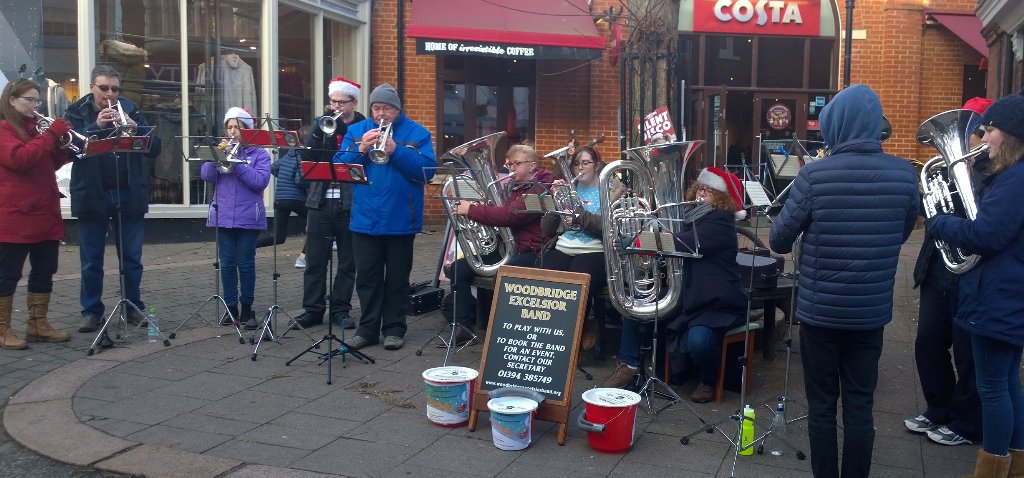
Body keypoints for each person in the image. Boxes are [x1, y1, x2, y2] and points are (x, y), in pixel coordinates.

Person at [769, 84, 918, 478]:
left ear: (835, 126)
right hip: (870, 315)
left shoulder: (815, 175)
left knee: (820, 407)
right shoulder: (906, 175)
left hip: (820, 314)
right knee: (860, 406)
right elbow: (900, 232)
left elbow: (779, 239)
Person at [927, 94, 1024, 477]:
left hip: (999, 296)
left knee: (993, 388)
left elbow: (986, 235)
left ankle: (993, 469)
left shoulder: (1015, 180)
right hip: (1005, 294)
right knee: (1006, 383)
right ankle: (1014, 464)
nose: (984, 136)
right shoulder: (1011, 177)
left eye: (991, 128)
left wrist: (939, 222)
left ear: (1011, 134)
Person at [604, 167, 748, 404]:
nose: (701, 194)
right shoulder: (692, 216)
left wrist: (639, 242)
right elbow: (674, 243)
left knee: (699, 342)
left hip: (714, 299)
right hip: (687, 293)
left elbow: (684, 243)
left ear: (722, 198)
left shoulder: (720, 222)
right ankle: (628, 365)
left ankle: (708, 380)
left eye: (709, 191)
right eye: (700, 188)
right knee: (635, 306)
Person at [904, 97, 991, 447]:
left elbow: (986, 226)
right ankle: (938, 407)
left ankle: (967, 421)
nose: (973, 139)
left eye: (979, 131)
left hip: (974, 275)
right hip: (938, 267)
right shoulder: (944, 169)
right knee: (928, 342)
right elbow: (930, 214)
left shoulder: (996, 173)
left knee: (967, 351)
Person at [335, 83, 435, 351]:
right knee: (367, 278)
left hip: (401, 218)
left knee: (397, 279)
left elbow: (427, 171)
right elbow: (338, 166)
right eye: (377, 108)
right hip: (365, 218)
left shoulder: (417, 133)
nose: (381, 114)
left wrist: (397, 150)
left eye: (387, 108)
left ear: (397, 109)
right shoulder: (357, 131)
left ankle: (394, 328)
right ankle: (367, 330)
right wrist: (361, 150)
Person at [64, 65, 162, 333]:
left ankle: (133, 307)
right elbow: (68, 148)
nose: (110, 94)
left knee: (131, 257)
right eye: (104, 88)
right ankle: (91, 311)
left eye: (115, 89)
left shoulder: (131, 109)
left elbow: (155, 148)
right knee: (91, 259)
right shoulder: (76, 112)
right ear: (92, 87)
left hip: (128, 192)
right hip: (92, 194)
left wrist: (135, 128)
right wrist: (96, 127)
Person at [446, 144, 554, 347]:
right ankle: (463, 327)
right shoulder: (511, 185)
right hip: (508, 247)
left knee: (502, 275)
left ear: (531, 165)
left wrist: (472, 210)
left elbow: (511, 215)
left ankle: (506, 331)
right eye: (509, 164)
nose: (510, 168)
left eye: (516, 164)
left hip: (532, 249)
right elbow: (500, 212)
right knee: (458, 270)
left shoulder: (541, 188)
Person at [0, 79, 73, 349]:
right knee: (8, 274)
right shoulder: (4, 129)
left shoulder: (34, 129)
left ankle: (37, 324)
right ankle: (2, 329)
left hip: (44, 211)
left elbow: (47, 162)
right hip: (15, 215)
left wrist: (64, 147)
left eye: (37, 100)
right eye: (29, 100)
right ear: (12, 100)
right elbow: (19, 160)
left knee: (45, 270)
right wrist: (51, 135)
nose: (35, 105)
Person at [291, 77, 365, 330]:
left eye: (341, 102)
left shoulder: (363, 126)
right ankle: (312, 309)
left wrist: (342, 131)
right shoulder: (320, 125)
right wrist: (320, 132)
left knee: (347, 261)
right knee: (315, 260)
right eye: (332, 101)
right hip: (319, 201)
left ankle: (340, 310)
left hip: (350, 203)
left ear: (353, 102)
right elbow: (308, 157)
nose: (335, 106)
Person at [539, 145, 623, 351]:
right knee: (544, 276)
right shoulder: (568, 188)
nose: (580, 168)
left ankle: (573, 338)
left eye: (586, 163)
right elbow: (547, 230)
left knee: (578, 282)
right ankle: (546, 334)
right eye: (576, 163)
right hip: (564, 245)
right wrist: (552, 204)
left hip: (595, 249)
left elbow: (608, 227)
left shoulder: (612, 190)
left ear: (596, 165)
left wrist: (579, 215)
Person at [201, 107, 270, 329]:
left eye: (237, 127)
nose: (232, 131)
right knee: (228, 263)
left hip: (249, 216)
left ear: (248, 131)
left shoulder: (259, 154)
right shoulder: (221, 150)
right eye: (229, 127)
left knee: (246, 263)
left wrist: (236, 163)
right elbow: (206, 175)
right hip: (224, 216)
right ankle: (230, 308)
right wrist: (216, 156)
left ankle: (247, 308)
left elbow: (259, 182)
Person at [255, 125, 309, 265]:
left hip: (280, 199)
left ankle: (249, 246)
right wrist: (309, 181)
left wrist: (284, 177)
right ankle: (302, 258)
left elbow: (273, 168)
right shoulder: (303, 157)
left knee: (278, 237)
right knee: (315, 223)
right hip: (295, 198)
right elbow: (299, 180)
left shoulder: (289, 154)